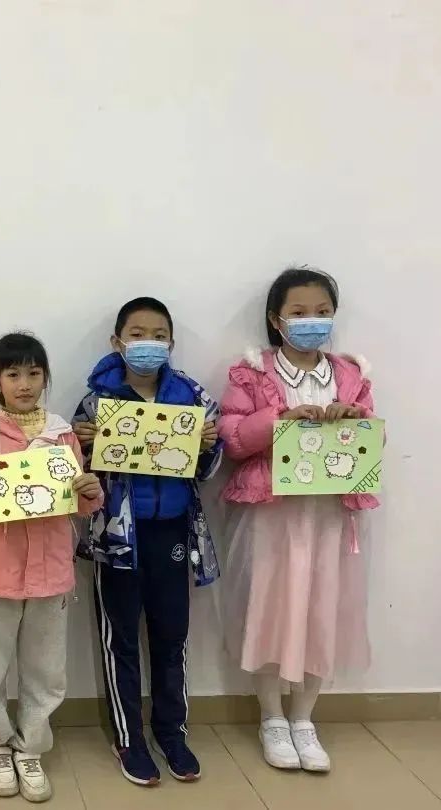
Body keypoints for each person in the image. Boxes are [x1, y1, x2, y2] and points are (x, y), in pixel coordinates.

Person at [218, 266, 378, 773]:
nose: (313, 320)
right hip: (273, 515)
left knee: (322, 610)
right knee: (268, 609)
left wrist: (353, 420)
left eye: (322, 312)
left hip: (329, 515)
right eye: (300, 312)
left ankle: (304, 719)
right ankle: (271, 717)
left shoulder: (350, 375)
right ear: (276, 319)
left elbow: (371, 438)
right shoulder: (253, 372)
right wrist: (278, 420)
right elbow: (232, 437)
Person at [72, 298, 222, 786]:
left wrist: (208, 446)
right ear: (117, 342)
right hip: (118, 538)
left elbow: (208, 469)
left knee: (171, 636)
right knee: (120, 641)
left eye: (159, 335)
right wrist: (82, 445)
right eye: (137, 334)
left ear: (171, 343)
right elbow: (73, 473)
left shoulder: (192, 396)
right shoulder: (96, 402)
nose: (148, 344)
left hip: (173, 531)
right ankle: (128, 737)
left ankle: (171, 732)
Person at [0, 333, 103, 803]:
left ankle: (31, 746)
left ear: (45, 377)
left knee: (46, 669)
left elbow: (78, 501)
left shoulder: (62, 434)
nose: (24, 383)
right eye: (13, 374)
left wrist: (91, 493)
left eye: (33, 373)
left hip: (50, 573)